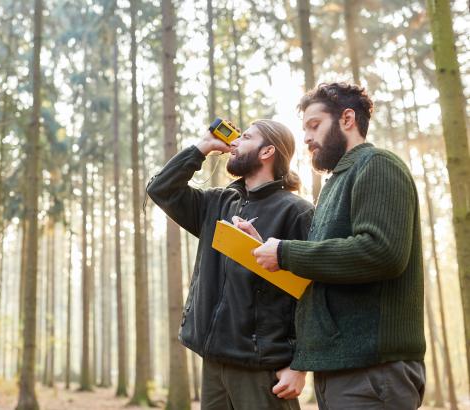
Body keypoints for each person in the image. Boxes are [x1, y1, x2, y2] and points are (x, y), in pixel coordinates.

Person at [244, 83, 426, 409]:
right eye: (305, 129)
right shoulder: (333, 186)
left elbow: (381, 253)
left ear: (347, 119)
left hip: (375, 371)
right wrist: (267, 253)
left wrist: (287, 253)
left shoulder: (377, 164)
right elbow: (324, 274)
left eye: (315, 125)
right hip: (338, 369)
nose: (307, 138)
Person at [146, 119, 314, 409]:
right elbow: (161, 189)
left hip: (263, 370)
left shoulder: (297, 212)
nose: (234, 142)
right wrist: (202, 147)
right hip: (213, 363)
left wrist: (300, 365)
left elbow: (312, 295)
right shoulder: (217, 203)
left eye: (245, 137)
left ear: (266, 152)